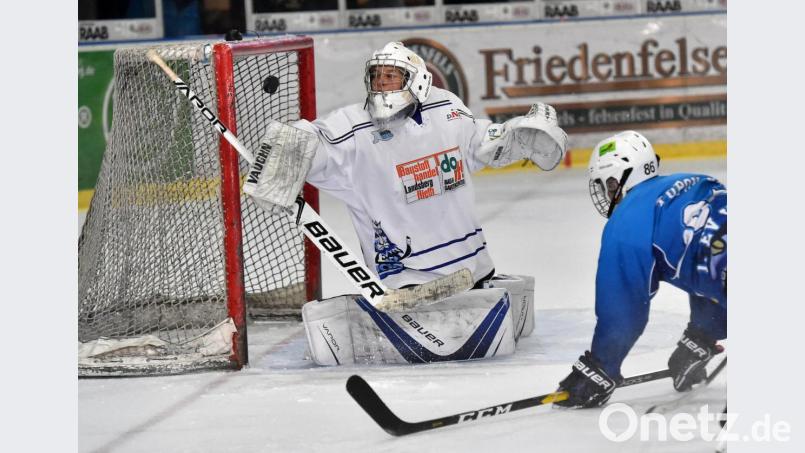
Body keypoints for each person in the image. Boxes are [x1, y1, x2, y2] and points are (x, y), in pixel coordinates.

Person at [244, 42, 568, 365]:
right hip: (407, 282)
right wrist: (292, 144)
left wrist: (515, 136)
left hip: (475, 271)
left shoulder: (447, 108)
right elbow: (320, 140)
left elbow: (477, 142)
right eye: (377, 76)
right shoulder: (354, 127)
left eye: (392, 75)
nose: (382, 83)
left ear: (418, 80)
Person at [554, 130, 727, 408]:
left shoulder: (626, 222)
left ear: (618, 178)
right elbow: (706, 258)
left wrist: (600, 368)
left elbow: (623, 309)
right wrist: (702, 335)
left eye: (607, 185)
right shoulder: (695, 180)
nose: (607, 193)